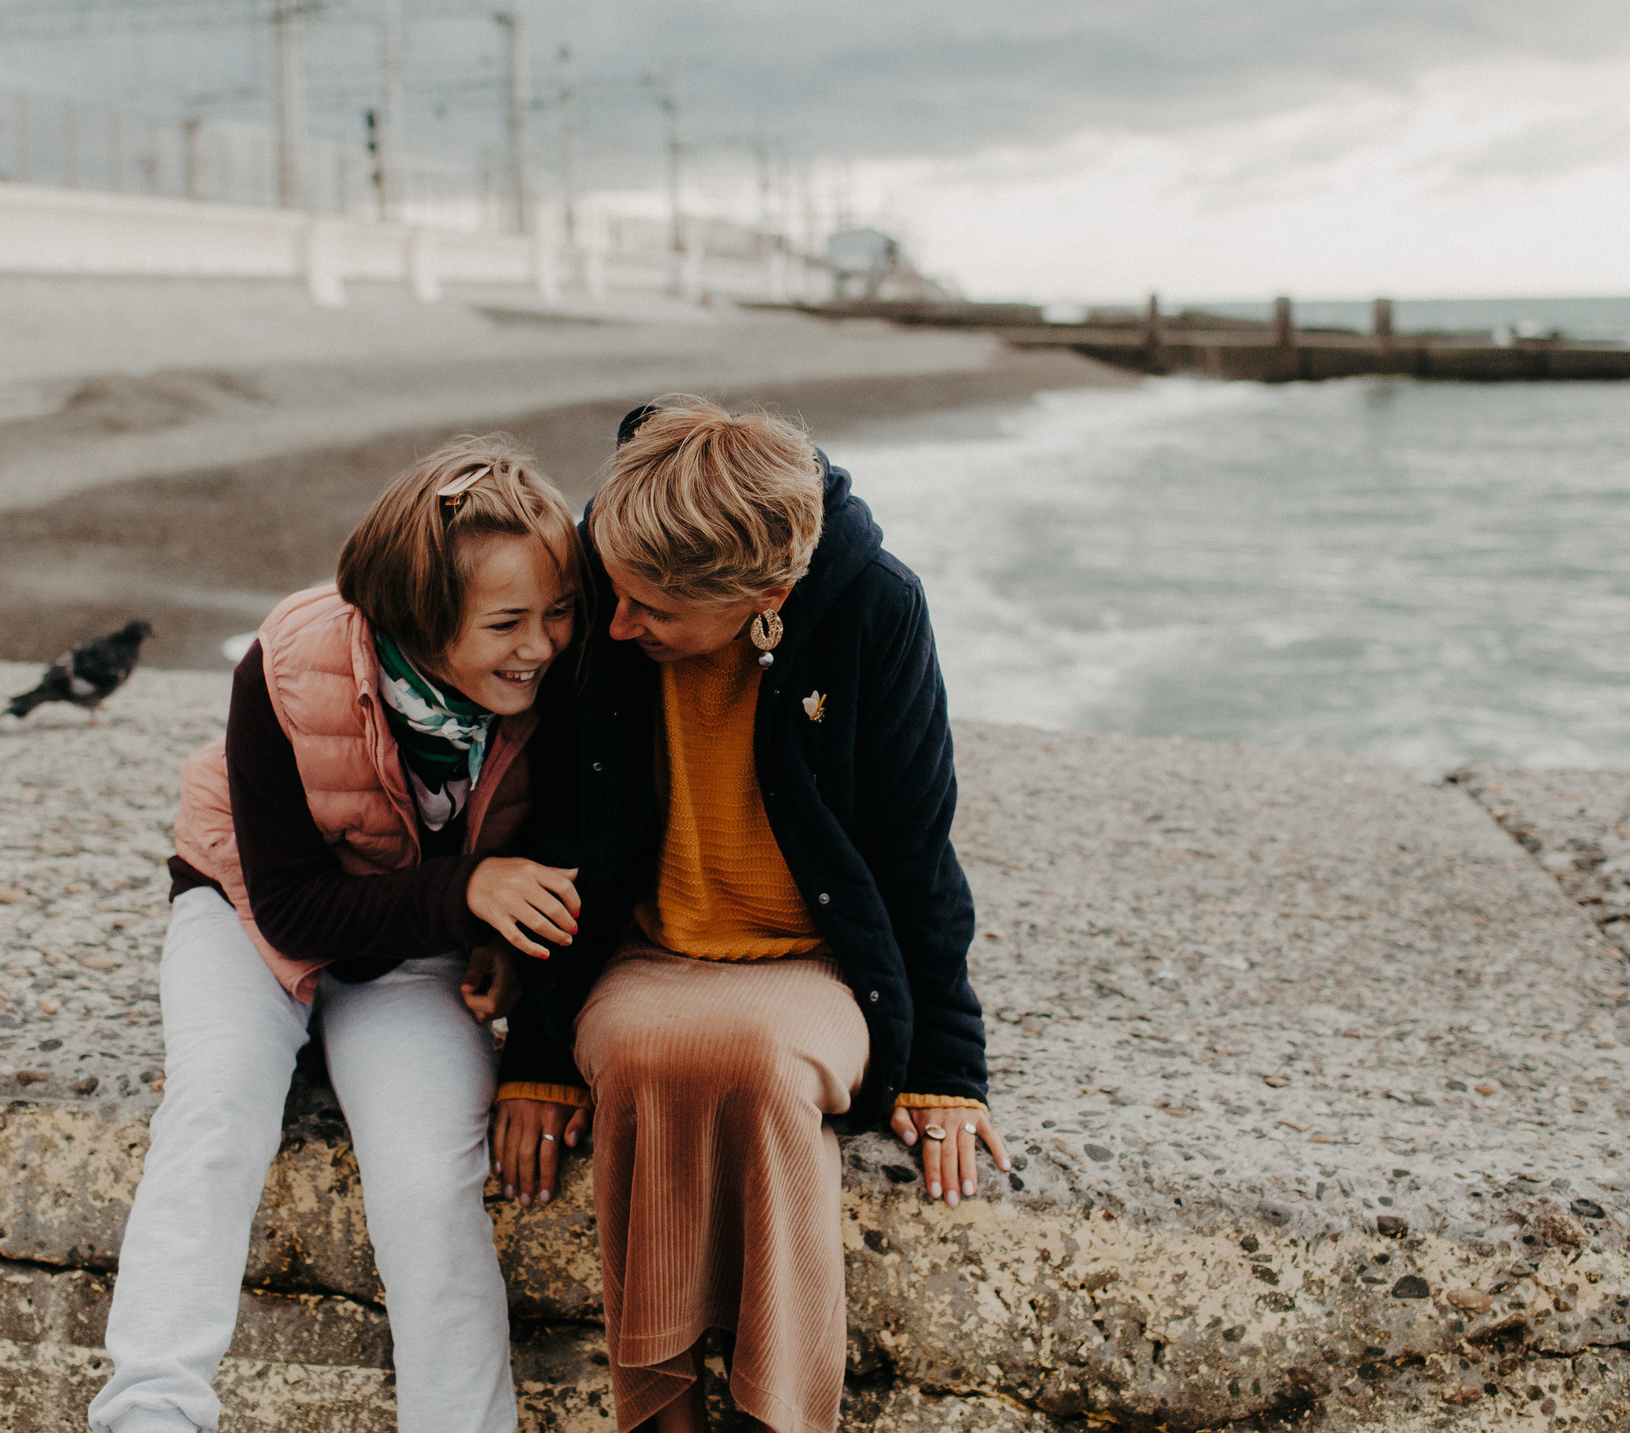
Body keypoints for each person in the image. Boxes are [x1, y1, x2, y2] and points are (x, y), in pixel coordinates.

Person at [489, 397, 1010, 1433]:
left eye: (654, 614)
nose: (616, 626)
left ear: (768, 596)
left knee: (764, 1068)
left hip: (817, 959)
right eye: (616, 598)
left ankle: (780, 1416)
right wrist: (536, 1057)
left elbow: (915, 852)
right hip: (644, 943)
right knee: (642, 1056)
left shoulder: (875, 611)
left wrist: (946, 1069)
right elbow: (556, 827)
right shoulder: (605, 579)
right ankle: (660, 1414)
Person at [89, 436, 589, 1433]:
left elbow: (569, 842)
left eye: (558, 612)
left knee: (428, 1172)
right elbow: (295, 914)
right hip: (249, 912)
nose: (541, 645)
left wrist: (501, 944)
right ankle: (151, 1411)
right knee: (215, 1110)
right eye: (505, 623)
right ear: (419, 615)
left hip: (416, 941)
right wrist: (470, 892)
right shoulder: (285, 665)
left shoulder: (562, 681)